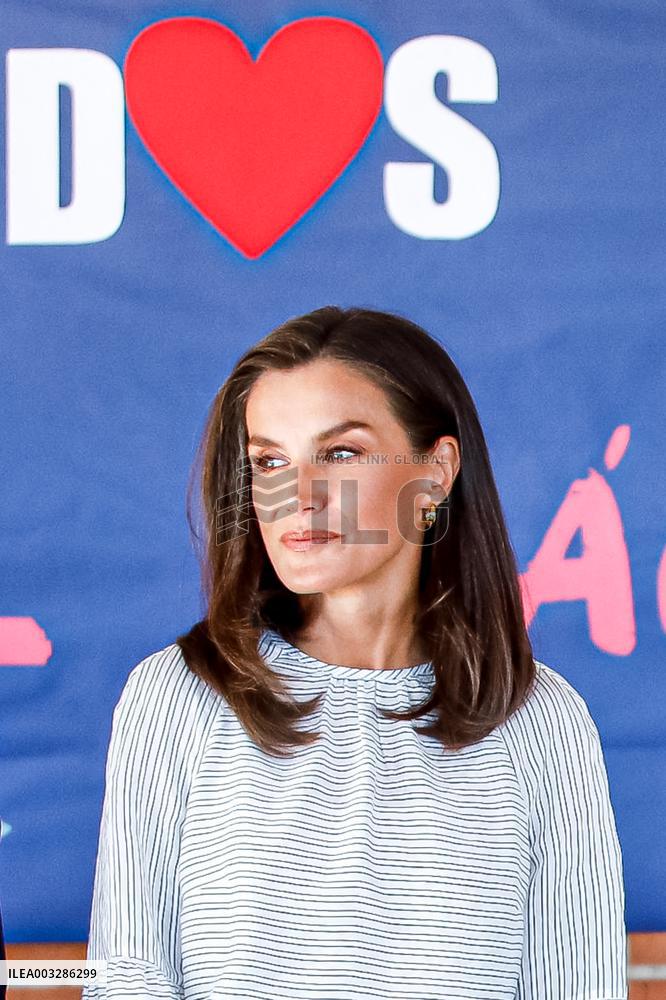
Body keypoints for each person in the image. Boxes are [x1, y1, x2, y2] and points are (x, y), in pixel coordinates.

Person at [82, 306, 627, 999]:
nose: (294, 496)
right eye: (268, 460)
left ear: (436, 472)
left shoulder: (542, 723)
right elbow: (126, 979)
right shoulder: (177, 697)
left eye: (340, 453)